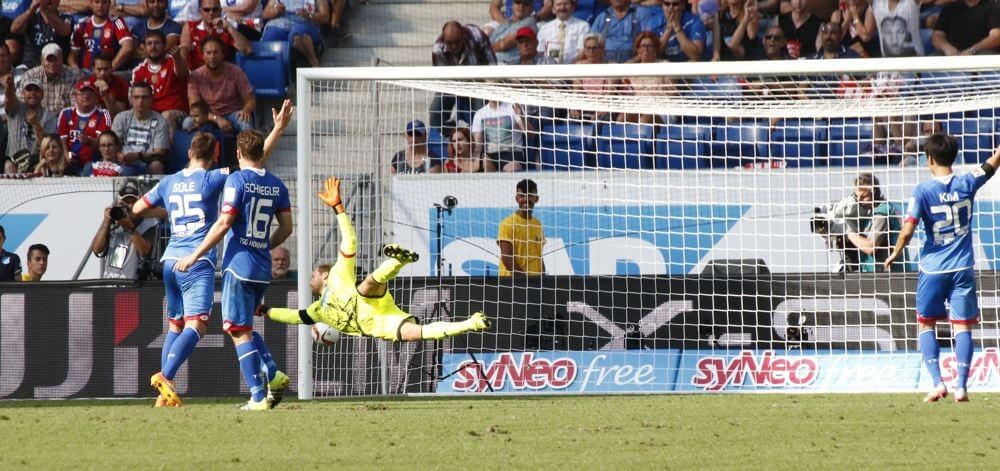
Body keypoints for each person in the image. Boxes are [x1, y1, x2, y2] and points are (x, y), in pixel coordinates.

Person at [136, 99, 292, 408]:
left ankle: (165, 390)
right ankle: (167, 376)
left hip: (169, 260)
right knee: (200, 325)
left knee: (176, 324)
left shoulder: (168, 181)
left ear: (189, 152)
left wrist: (167, 213)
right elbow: (253, 165)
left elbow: (138, 209)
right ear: (216, 155)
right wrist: (277, 130)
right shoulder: (216, 177)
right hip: (199, 260)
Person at [255, 177, 491, 345]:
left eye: (313, 274)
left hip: (370, 295)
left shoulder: (338, 273)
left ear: (324, 275)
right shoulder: (318, 311)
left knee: (365, 285)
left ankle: (398, 261)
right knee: (417, 333)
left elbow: (349, 239)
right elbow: (292, 316)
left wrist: (338, 208)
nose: (309, 279)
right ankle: (470, 324)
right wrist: (265, 310)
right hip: (378, 323)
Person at [173, 129, 293, 411]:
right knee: (245, 328)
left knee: (236, 329)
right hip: (262, 269)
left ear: (238, 153)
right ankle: (273, 375)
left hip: (239, 265)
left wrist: (195, 254)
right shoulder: (278, 185)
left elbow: (225, 222)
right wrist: (264, 245)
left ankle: (258, 396)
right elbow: (287, 228)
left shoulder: (236, 180)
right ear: (261, 153)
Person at [884, 135, 1000, 403]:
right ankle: (961, 386)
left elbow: (908, 230)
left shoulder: (922, 191)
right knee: (962, 327)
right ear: (954, 157)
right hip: (963, 267)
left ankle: (938, 383)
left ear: (929, 159)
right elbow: (990, 165)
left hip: (933, 269)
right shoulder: (967, 182)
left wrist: (895, 253)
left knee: (926, 324)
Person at [429, 21, 497, 129]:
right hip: (452, 83)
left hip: (479, 81)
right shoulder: (438, 49)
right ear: (444, 39)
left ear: (463, 36)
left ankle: (479, 138)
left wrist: (487, 83)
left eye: (457, 41)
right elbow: (443, 82)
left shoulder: (477, 36)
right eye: (450, 43)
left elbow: (492, 63)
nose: (454, 46)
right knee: (435, 113)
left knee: (481, 110)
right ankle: (451, 135)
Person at [91, 179, 160, 279]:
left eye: (133, 202)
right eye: (126, 202)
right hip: (110, 283)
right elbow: (97, 249)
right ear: (119, 203)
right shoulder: (114, 221)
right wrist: (106, 222)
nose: (130, 206)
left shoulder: (149, 223)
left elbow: (145, 252)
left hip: (133, 285)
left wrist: (130, 228)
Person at [186, 36, 256, 134]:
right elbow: (195, 107)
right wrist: (216, 119)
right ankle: (198, 149)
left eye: (216, 52)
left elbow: (250, 100)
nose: (212, 57)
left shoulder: (236, 71)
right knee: (187, 123)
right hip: (208, 115)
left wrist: (246, 110)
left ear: (222, 54)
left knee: (245, 121)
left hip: (233, 113)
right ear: (202, 55)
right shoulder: (195, 76)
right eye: (208, 53)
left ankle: (250, 149)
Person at [842, 173, 910, 273]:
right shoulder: (872, 213)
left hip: (891, 277)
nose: (859, 201)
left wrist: (849, 233)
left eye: (864, 197)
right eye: (857, 197)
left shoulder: (881, 214)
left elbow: (871, 247)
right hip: (881, 274)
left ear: (875, 193)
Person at [132, 30, 190, 127]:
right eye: (149, 44)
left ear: (164, 46)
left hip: (177, 113)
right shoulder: (138, 71)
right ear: (144, 47)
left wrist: (178, 57)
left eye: (157, 43)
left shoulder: (174, 62)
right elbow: (134, 98)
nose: (153, 47)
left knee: (166, 116)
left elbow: (183, 73)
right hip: (151, 114)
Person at [112, 82, 170, 174]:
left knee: (157, 165)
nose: (140, 101)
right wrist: (119, 155)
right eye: (136, 97)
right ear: (131, 99)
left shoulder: (160, 121)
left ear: (151, 99)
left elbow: (160, 152)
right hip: (124, 162)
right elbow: (113, 145)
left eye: (144, 97)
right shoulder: (121, 118)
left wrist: (138, 155)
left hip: (147, 162)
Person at [4, 77, 58, 175]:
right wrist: (9, 87)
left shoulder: (49, 116)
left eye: (36, 90)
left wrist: (36, 125)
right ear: (22, 93)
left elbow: (48, 145)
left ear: (42, 94)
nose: (32, 93)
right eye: (29, 90)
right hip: (14, 162)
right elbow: (9, 99)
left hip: (37, 163)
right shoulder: (15, 108)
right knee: (8, 165)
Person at [179, 0, 253, 70]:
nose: (211, 13)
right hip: (197, 76)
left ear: (220, 11)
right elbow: (184, 49)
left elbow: (247, 50)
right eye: (207, 10)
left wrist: (229, 27)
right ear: (201, 11)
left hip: (221, 76)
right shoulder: (190, 27)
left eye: (215, 9)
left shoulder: (226, 29)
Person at [58, 81, 113, 175]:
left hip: (94, 162)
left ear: (96, 97)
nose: (85, 96)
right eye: (82, 93)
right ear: (75, 96)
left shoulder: (103, 114)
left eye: (90, 93)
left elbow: (104, 145)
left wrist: (89, 141)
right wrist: (66, 154)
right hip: (69, 161)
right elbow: (61, 139)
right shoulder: (66, 113)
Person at [68, 0, 136, 72]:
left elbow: (128, 47)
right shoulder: (82, 24)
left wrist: (110, 68)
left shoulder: (116, 22)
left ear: (109, 3)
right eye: (96, 2)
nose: (100, 6)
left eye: (104, 2)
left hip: (110, 75)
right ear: (91, 4)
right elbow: (72, 57)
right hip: (86, 74)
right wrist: (77, 71)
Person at [497, 178, 545, 276]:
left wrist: (543, 278)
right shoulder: (508, 223)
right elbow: (507, 258)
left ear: (537, 199)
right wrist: (523, 281)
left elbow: (539, 256)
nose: (526, 199)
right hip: (513, 284)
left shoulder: (537, 224)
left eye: (530, 196)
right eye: (522, 196)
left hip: (534, 284)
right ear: (516, 199)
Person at [260, 0, 329, 67]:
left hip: (305, 23)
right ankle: (273, 74)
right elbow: (265, 13)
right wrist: (276, 11)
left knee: (298, 33)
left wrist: (309, 15)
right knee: (271, 35)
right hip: (280, 24)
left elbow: (325, 17)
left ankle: (314, 63)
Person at [20, 43, 83, 115]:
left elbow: (76, 107)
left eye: (55, 60)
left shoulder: (73, 76)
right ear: (41, 61)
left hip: (64, 120)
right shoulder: (30, 76)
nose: (52, 64)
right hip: (37, 119)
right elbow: (20, 103)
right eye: (49, 60)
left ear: (62, 60)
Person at [11, 0, 74, 70]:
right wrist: (31, 9)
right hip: (30, 66)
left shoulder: (66, 17)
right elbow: (14, 29)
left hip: (54, 68)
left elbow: (64, 31)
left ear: (59, 1)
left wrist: (46, 12)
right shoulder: (31, 16)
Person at [589, 0, 656, 63]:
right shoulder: (601, 18)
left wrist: (634, 60)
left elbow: (650, 42)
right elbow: (589, 42)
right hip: (607, 65)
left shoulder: (642, 14)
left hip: (636, 65)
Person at [472, 100, 528, 172]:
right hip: (491, 155)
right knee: (485, 161)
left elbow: (529, 133)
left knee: (512, 168)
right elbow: (478, 145)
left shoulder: (513, 107)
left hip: (512, 154)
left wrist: (521, 116)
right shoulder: (480, 114)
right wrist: (475, 162)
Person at [930, 0, 1000, 55]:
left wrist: (972, 50)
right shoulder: (950, 8)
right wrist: (946, 48)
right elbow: (937, 35)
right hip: (952, 54)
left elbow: (996, 37)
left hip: (981, 53)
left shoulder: (993, 7)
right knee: (927, 65)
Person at [535, 0, 589, 64]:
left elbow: (582, 51)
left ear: (573, 7)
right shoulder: (544, 28)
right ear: (553, 9)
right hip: (549, 69)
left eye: (566, 4)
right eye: (559, 4)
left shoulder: (583, 26)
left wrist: (569, 67)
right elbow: (540, 52)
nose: (562, 7)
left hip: (573, 68)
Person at [484, 0, 537, 65]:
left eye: (525, 4)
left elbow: (503, 45)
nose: (521, 6)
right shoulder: (507, 22)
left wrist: (483, 51)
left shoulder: (529, 22)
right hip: (492, 60)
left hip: (509, 63)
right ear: (512, 5)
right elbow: (491, 41)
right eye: (518, 2)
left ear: (531, 8)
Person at [83, 53, 130, 117]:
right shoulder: (86, 84)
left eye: (106, 69)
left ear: (111, 69)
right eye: (99, 69)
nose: (102, 73)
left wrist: (105, 96)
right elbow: (82, 112)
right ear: (93, 69)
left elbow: (118, 116)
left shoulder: (121, 84)